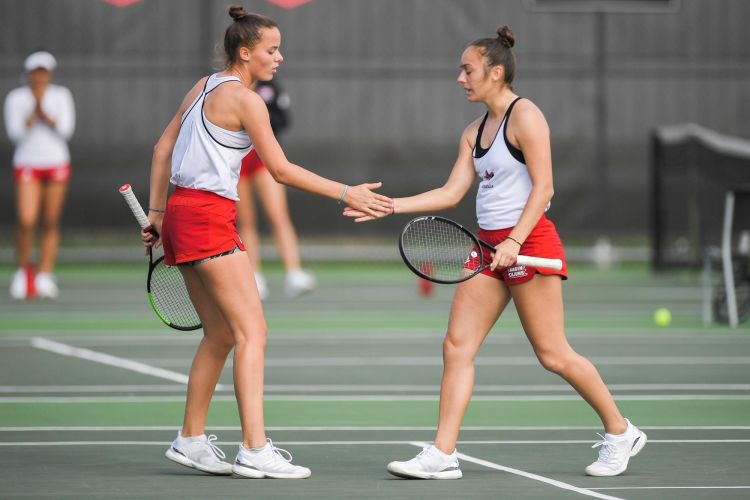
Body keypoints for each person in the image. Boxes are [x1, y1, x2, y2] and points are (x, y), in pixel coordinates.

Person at [345, 26, 646, 479]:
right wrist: (389, 206)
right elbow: (451, 192)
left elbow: (544, 187)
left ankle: (621, 431)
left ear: (496, 72)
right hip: (486, 247)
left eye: (468, 70)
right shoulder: (473, 130)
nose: (460, 78)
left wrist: (514, 241)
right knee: (456, 346)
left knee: (552, 353)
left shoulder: (527, 117)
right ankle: (443, 454)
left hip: (529, 243)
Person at [143, 5, 391, 479]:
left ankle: (190, 439)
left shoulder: (203, 85)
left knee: (218, 335)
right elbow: (280, 170)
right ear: (245, 52)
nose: (279, 58)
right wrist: (347, 190)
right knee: (252, 333)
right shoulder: (246, 100)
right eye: (271, 50)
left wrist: (157, 215)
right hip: (208, 216)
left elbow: (161, 149)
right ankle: (254, 449)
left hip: (179, 213)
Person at [4, 50, 75, 300]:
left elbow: (66, 130)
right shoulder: (16, 98)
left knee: (50, 221)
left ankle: (45, 274)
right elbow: (15, 133)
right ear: (29, 74)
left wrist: (48, 115)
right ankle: (24, 273)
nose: (40, 77)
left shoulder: (61, 95)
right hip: (27, 164)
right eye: (36, 72)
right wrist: (33, 115)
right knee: (26, 220)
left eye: (44, 72)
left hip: (56, 163)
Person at [237, 78, 315, 300]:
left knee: (278, 214)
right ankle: (255, 276)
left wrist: (258, 119)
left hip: (264, 156)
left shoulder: (268, 86)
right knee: (246, 219)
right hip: (238, 159)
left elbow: (283, 119)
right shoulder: (229, 87)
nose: (275, 59)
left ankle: (293, 273)